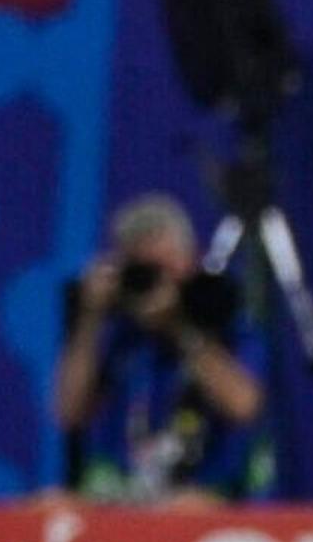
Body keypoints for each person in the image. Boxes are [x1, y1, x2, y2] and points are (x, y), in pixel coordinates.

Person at [54, 194, 273, 503]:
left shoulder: (230, 325)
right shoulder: (118, 335)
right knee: (47, 509)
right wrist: (90, 317)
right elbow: (69, 413)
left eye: (163, 269)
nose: (156, 283)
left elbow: (244, 405)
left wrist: (178, 327)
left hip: (201, 494)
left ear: (191, 262)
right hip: (118, 491)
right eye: (143, 271)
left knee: (186, 509)